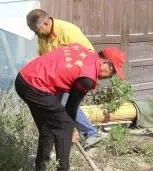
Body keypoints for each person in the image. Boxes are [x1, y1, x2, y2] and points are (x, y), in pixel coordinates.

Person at [15, 43, 126, 171]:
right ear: (105, 62)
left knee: (48, 127)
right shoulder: (87, 77)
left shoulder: (82, 50)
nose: (111, 76)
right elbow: (71, 107)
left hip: (24, 79)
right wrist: (72, 130)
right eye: (113, 71)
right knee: (65, 126)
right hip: (36, 85)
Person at [26, 9, 104, 148]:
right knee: (55, 107)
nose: (35, 33)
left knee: (64, 105)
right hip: (56, 79)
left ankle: (89, 133)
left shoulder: (68, 30)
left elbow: (89, 53)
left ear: (46, 23)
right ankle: (67, 139)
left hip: (74, 76)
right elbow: (44, 58)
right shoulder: (42, 37)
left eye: (36, 29)